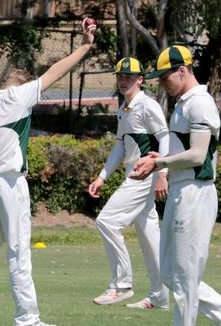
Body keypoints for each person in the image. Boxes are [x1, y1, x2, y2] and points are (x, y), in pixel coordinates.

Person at [0, 18, 97, 326]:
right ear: (23, 84)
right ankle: (28, 320)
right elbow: (56, 71)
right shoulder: (20, 97)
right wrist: (84, 46)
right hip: (8, 182)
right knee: (18, 252)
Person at [132, 45, 221, 326]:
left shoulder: (200, 103)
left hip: (195, 192)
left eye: (165, 77)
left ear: (182, 70)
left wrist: (160, 163)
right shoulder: (183, 103)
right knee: (170, 275)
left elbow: (198, 155)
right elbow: (183, 151)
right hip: (180, 190)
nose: (162, 84)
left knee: (186, 275)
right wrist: (161, 159)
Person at [87, 57, 170, 310]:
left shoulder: (148, 105)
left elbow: (164, 136)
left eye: (129, 77)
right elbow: (121, 145)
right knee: (149, 238)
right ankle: (161, 297)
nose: (123, 81)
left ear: (140, 79)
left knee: (107, 221)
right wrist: (102, 176)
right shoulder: (124, 108)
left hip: (143, 175)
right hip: (133, 174)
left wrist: (161, 173)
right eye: (120, 76)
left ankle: (121, 286)